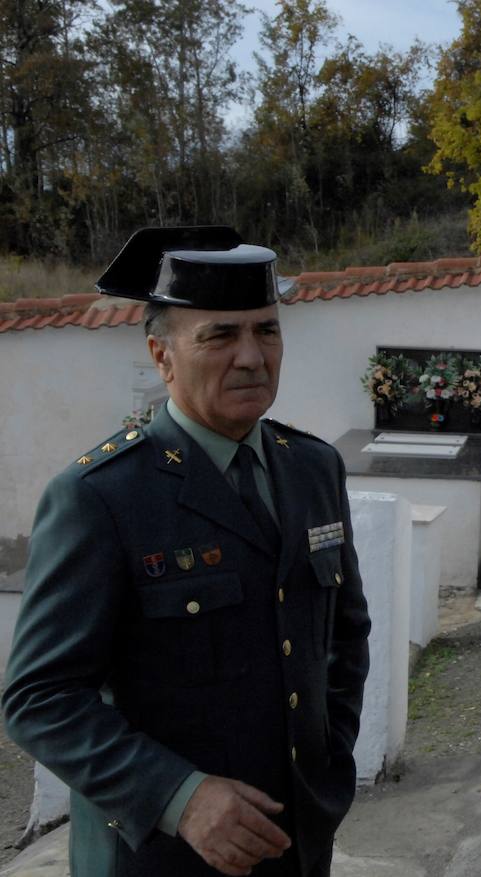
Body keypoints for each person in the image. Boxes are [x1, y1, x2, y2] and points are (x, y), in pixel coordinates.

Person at [3, 226, 371, 877]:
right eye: (220, 336)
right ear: (162, 355)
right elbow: (39, 699)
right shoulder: (101, 496)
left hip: (296, 843)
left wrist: (329, 766)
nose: (253, 357)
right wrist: (180, 797)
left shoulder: (312, 468)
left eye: (267, 330)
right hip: (162, 854)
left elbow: (344, 633)